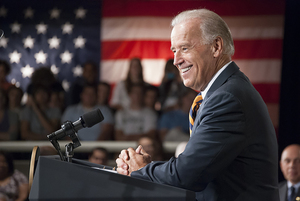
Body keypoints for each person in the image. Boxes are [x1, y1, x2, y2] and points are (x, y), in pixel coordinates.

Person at [116, 8, 279, 201]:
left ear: (216, 46)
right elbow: (196, 167)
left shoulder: (227, 98)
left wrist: (142, 169)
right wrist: (148, 168)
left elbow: (186, 175)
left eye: (184, 48)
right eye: (174, 51)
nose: (176, 61)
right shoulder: (224, 91)